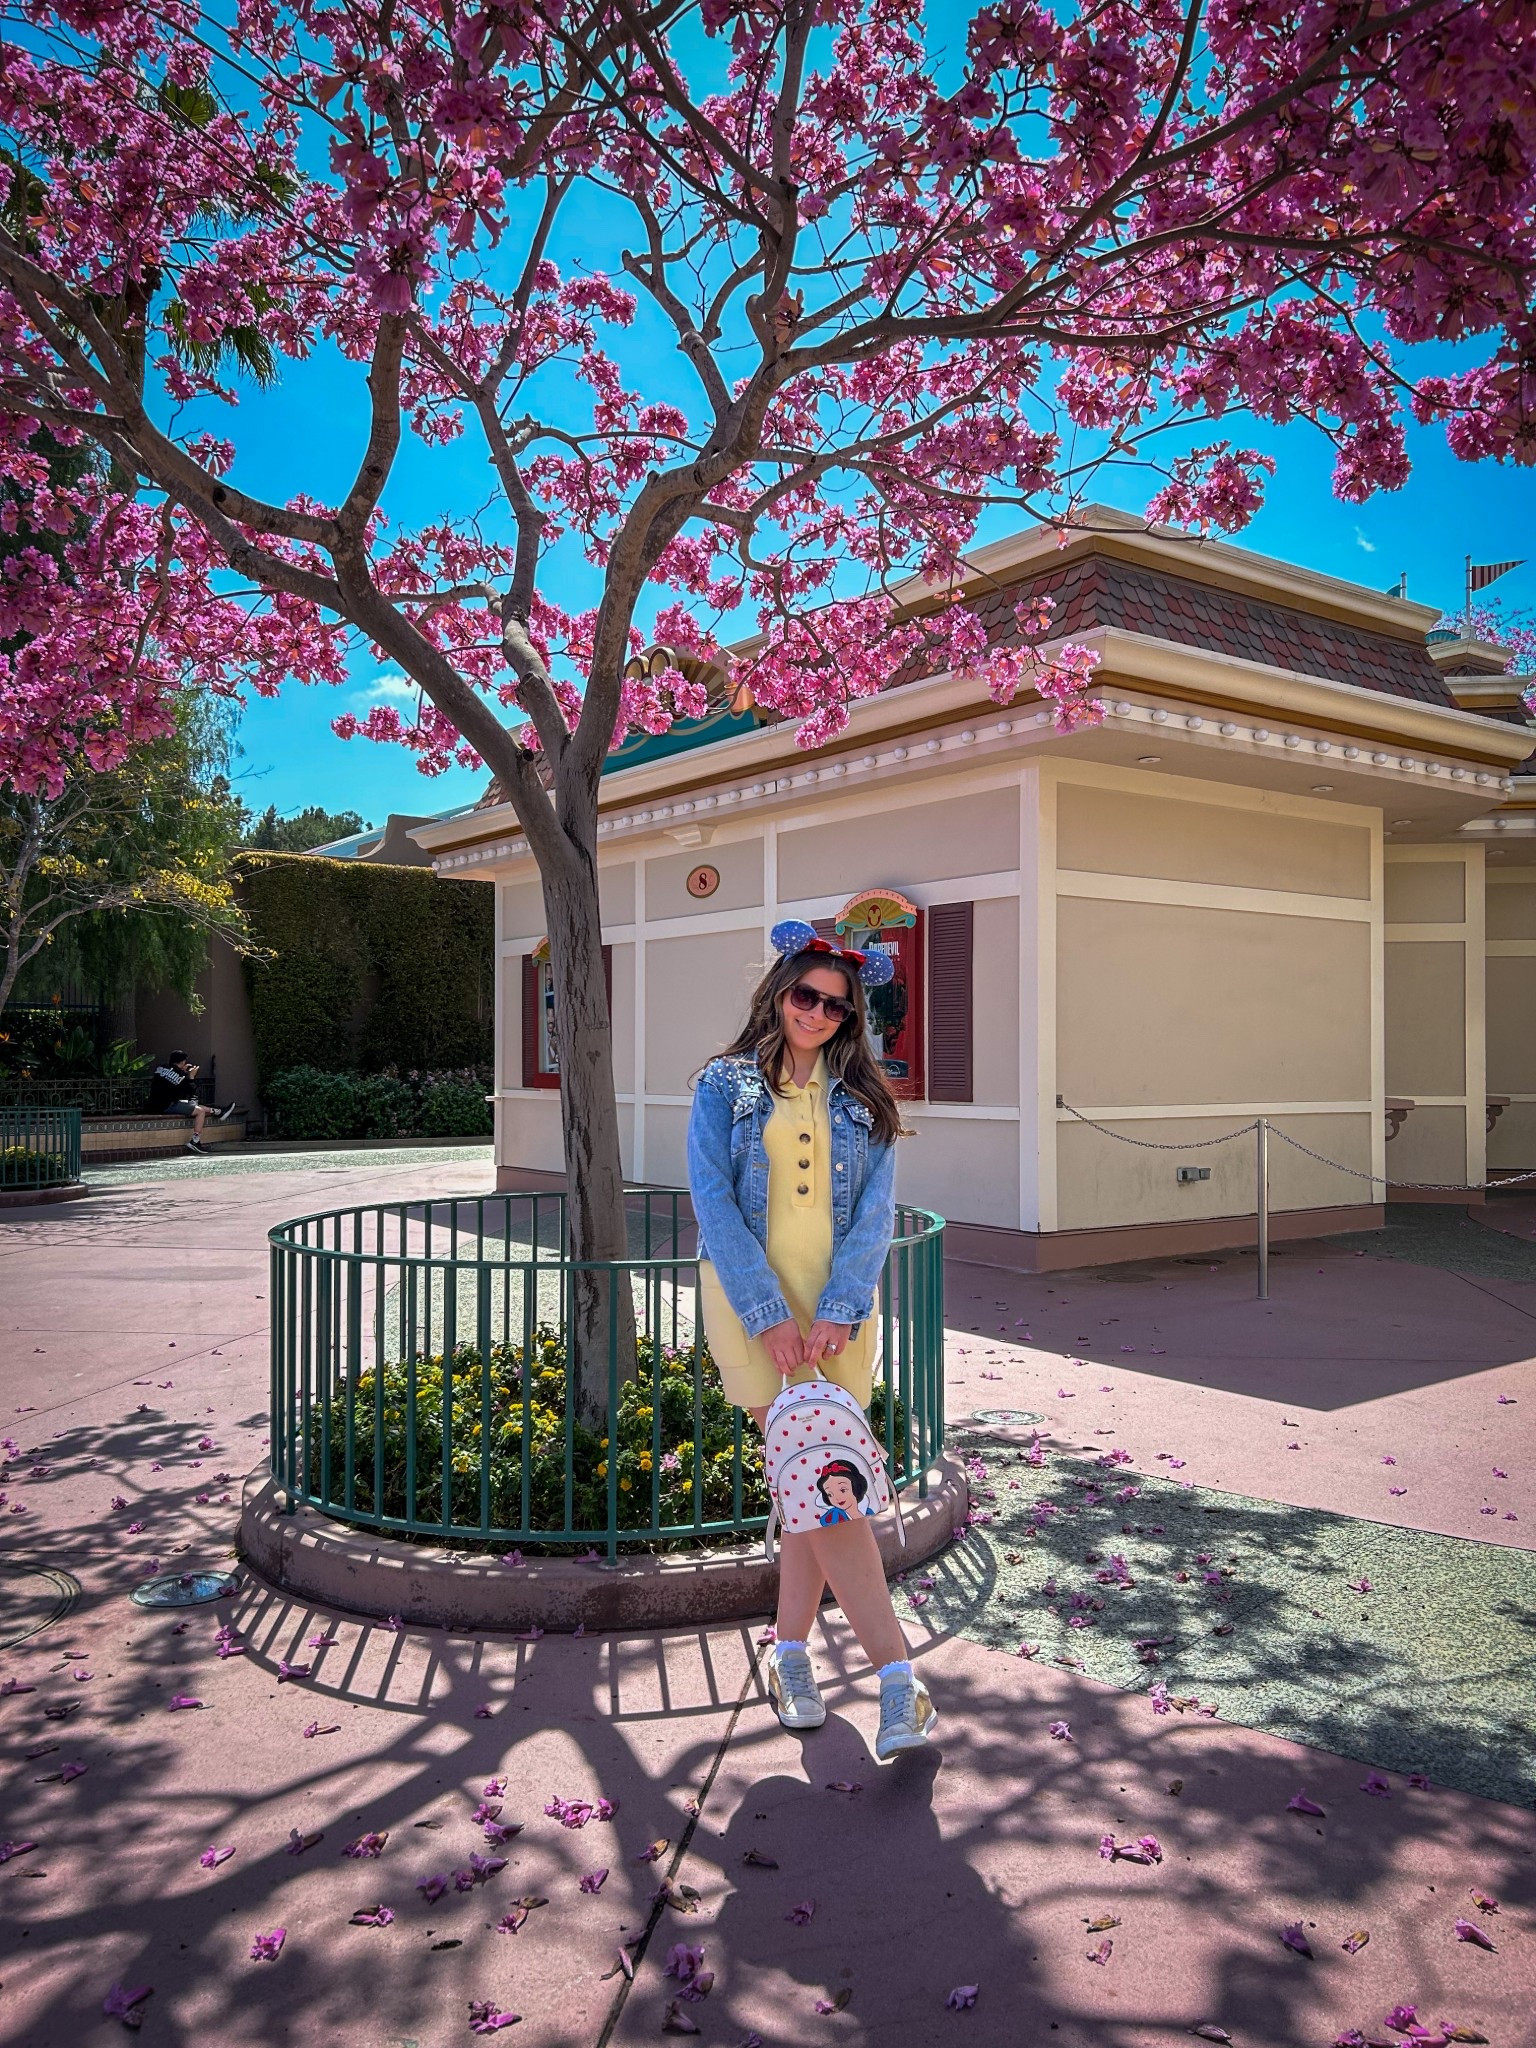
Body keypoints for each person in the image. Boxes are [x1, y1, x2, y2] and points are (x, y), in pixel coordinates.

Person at [687, 921, 938, 1761]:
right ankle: (898, 1679)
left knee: (813, 1493)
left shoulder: (863, 1098)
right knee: (823, 1487)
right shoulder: (724, 1086)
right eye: (807, 996)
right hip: (749, 1307)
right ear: (779, 991)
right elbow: (713, 1202)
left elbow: (874, 1213)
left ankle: (790, 1655)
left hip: (835, 1318)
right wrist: (768, 1314)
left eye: (837, 1005)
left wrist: (839, 1308)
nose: (819, 1013)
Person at [147, 1051, 240, 1153]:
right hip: (167, 1106)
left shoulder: (160, 1068)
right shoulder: (181, 1076)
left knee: (193, 1106)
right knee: (200, 1111)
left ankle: (219, 1112)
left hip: (154, 1104)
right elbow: (190, 1092)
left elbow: (171, 1080)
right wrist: (191, 1076)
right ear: (183, 1062)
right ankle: (195, 1141)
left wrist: (181, 1070)